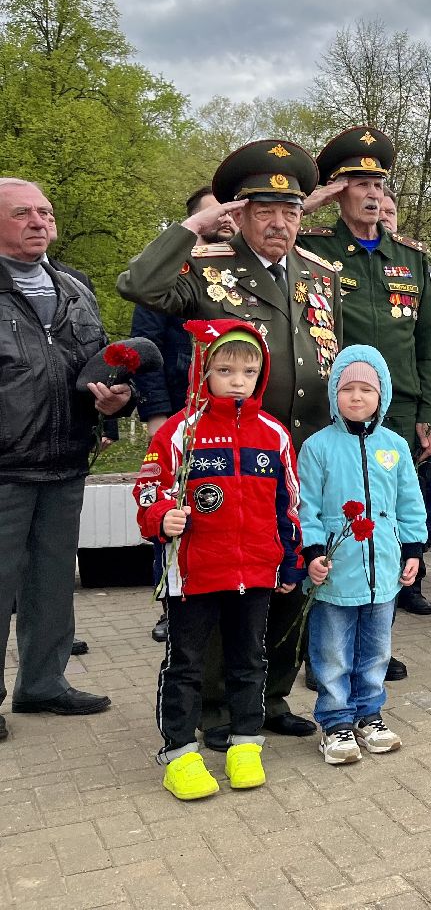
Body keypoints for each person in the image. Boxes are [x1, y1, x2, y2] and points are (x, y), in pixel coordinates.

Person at [118, 139, 337, 745]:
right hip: (225, 454)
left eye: (290, 211)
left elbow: (329, 358)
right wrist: (192, 227)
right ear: (238, 215)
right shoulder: (207, 267)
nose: (279, 223)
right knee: (223, 582)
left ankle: (270, 697)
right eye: (265, 211)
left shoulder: (320, 276)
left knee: (288, 573)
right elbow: (138, 284)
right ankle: (215, 707)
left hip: (298, 452)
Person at [134, 321, 303, 798]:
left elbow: (289, 505)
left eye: (249, 372)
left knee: (249, 659)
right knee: (186, 663)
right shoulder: (179, 431)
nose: (237, 381)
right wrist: (161, 515)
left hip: (255, 571)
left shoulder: (273, 434)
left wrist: (289, 561)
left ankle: (245, 743)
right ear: (203, 371)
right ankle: (179, 752)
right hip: (192, 574)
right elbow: (148, 488)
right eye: (225, 370)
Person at [0, 178, 131, 744]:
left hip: (65, 461)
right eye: (22, 213)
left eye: (45, 212)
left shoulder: (76, 287)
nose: (39, 222)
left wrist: (116, 401)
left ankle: (43, 684)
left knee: (53, 582)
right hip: (5, 466)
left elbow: (98, 361)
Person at [298, 126, 431, 623]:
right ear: (339, 193)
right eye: (360, 185)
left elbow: (428, 344)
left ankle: (377, 636)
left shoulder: (412, 257)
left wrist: (430, 411)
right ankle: (325, 639)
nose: (373, 194)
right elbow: (262, 241)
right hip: (335, 410)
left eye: (379, 185)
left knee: (388, 520)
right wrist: (309, 203)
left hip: (398, 412)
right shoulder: (311, 247)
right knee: (334, 518)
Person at [298, 345, 427, 764]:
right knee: (333, 651)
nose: (357, 397)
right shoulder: (317, 447)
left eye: (367, 390)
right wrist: (313, 552)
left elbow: (410, 503)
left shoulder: (395, 446)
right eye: (347, 389)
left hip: (384, 570)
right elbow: (306, 508)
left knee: (376, 650)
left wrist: (413, 549)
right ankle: (335, 720)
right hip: (336, 570)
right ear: (333, 393)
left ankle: (369, 713)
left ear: (381, 395)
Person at [132, 185, 237, 646]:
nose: (225, 220)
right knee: (176, 510)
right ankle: (170, 598)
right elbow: (146, 349)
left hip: (232, 414)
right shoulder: (174, 274)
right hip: (180, 411)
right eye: (214, 214)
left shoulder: (241, 270)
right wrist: (156, 414)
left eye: (230, 212)